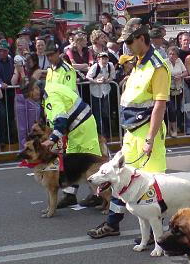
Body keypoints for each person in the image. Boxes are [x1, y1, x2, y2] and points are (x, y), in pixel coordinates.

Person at [88, 18, 170, 239]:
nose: (126, 46)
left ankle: (158, 232)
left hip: (146, 132)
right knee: (118, 177)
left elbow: (159, 105)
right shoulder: (139, 61)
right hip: (132, 132)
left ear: (141, 38)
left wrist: (150, 139)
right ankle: (113, 223)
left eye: (129, 41)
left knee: (152, 184)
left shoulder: (158, 66)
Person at [40, 80, 103, 207]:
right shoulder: (51, 88)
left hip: (83, 127)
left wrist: (52, 139)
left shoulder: (51, 95)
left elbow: (60, 118)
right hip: (76, 128)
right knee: (71, 160)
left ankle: (99, 195)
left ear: (35, 90)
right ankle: (70, 195)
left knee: (90, 162)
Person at [86, 52, 115, 138]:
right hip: (96, 92)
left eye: (106, 58)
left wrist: (107, 80)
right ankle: (100, 134)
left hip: (105, 92)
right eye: (102, 58)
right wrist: (96, 81)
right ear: (99, 59)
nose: (104, 60)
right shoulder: (95, 67)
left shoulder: (110, 66)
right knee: (97, 114)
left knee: (105, 113)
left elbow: (112, 76)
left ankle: (108, 134)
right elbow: (88, 76)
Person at [166, 46, 186, 137]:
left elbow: (186, 72)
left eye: (173, 54)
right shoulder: (165, 62)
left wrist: (180, 76)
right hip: (168, 90)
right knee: (171, 109)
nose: (171, 56)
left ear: (177, 55)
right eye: (170, 54)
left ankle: (175, 127)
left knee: (178, 109)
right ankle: (173, 129)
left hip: (178, 89)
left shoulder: (179, 61)